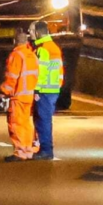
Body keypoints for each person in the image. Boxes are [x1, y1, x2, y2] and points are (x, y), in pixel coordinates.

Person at [0, 29, 38, 161]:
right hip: (29, 95)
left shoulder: (16, 55)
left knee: (16, 124)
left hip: (18, 96)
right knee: (26, 123)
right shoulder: (31, 55)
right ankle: (28, 150)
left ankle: (20, 152)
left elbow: (12, 77)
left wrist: (4, 91)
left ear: (15, 41)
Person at [29, 20, 64, 160]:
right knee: (45, 119)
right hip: (53, 89)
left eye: (31, 31)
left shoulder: (43, 48)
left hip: (44, 90)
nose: (29, 33)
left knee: (43, 120)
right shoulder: (52, 46)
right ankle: (45, 149)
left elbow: (41, 72)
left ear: (38, 33)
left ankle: (46, 150)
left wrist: (36, 90)